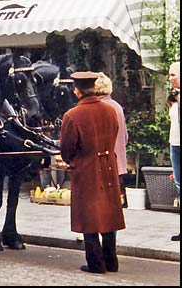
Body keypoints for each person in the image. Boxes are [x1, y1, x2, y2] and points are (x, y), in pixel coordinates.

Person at [59, 71, 125, 274]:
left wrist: (73, 161)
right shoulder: (110, 110)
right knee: (107, 213)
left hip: (86, 169)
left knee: (89, 217)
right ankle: (111, 260)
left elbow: (67, 148)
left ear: (77, 90)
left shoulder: (72, 115)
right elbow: (114, 135)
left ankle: (96, 263)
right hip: (108, 166)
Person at [95, 72, 129, 205]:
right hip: (118, 162)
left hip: (104, 163)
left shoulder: (98, 108)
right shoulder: (117, 106)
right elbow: (125, 136)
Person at [167, 61, 180, 242]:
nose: (170, 79)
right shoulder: (173, 98)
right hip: (174, 144)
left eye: (173, 75)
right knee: (179, 187)